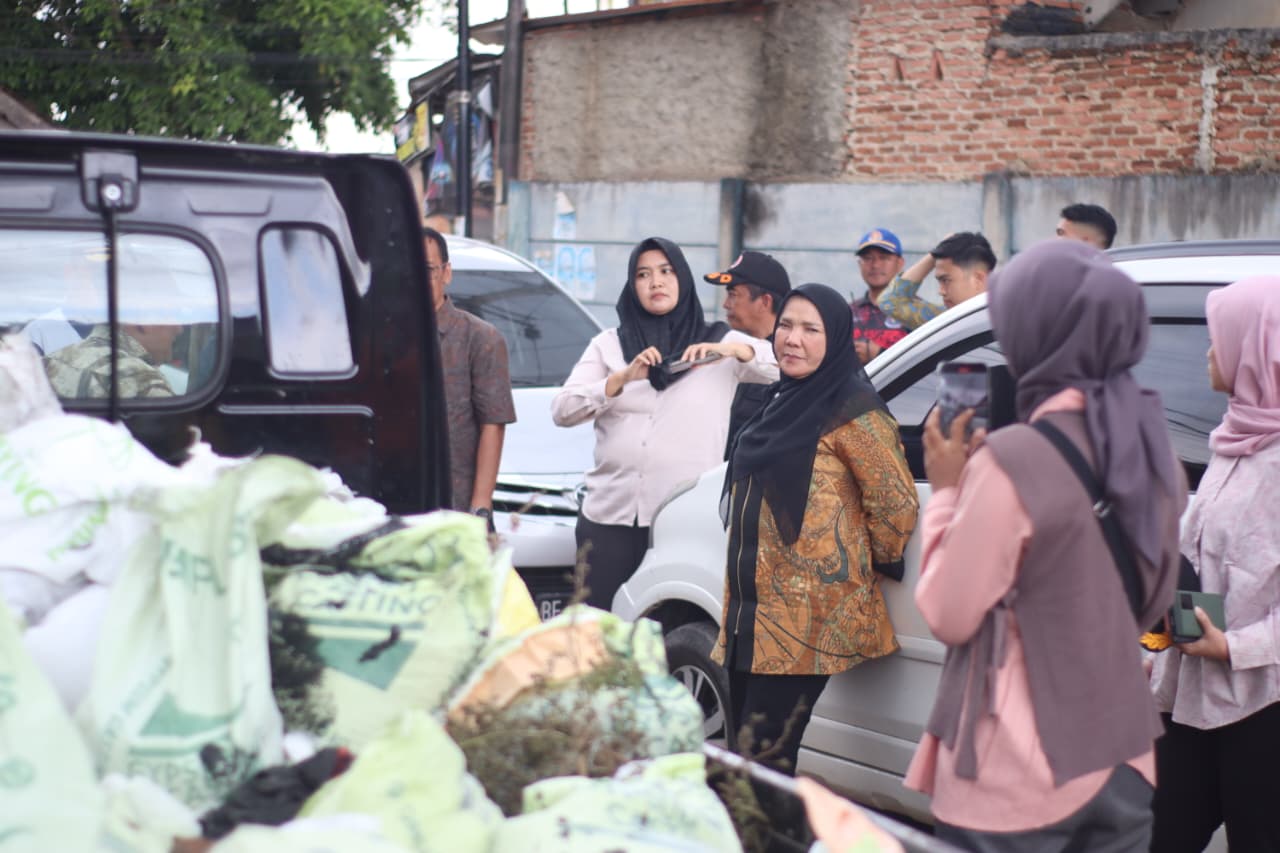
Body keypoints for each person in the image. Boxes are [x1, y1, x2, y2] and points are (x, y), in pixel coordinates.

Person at [905, 239, 1185, 851]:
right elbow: (1148, 600)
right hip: (1121, 754)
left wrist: (948, 490)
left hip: (1019, 769)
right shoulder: (1151, 446)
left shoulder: (1015, 460)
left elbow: (950, 614)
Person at [713, 283, 918, 777]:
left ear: (837, 338)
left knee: (763, 760)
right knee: (749, 756)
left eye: (811, 329)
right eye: (785, 325)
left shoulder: (854, 410)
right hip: (749, 614)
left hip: (804, 623)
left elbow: (895, 502)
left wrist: (878, 560)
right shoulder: (779, 402)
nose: (792, 339)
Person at [551, 237, 777, 610]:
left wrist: (737, 350)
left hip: (684, 524)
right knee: (599, 637)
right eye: (643, 275)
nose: (656, 282)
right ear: (632, 285)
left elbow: (785, 368)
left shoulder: (718, 343)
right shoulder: (609, 345)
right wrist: (621, 379)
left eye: (666, 272)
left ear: (683, 279)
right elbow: (563, 410)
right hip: (609, 520)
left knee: (672, 635)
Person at [1148, 275, 1280, 852]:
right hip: (1188, 693)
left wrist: (1233, 647)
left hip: (1264, 707)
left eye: (1219, 338)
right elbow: (1201, 560)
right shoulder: (1235, 439)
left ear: (1256, 350)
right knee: (1161, 836)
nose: (1208, 351)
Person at [424, 226, 516, 519]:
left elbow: (493, 425)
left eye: (426, 270)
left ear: (446, 273)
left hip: (457, 505)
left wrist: (480, 507)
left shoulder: (480, 338)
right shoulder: (383, 337)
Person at [703, 251, 790, 454]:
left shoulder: (792, 359)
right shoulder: (726, 349)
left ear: (764, 302)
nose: (725, 304)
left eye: (733, 295)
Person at [880, 232, 997, 331]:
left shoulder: (1009, 319)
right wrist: (935, 254)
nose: (940, 291)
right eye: (939, 282)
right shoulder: (946, 319)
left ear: (978, 279)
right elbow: (891, 302)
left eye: (946, 280)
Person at [43, 322, 178, 399]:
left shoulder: (49, 362)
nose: (179, 329)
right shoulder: (143, 380)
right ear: (145, 323)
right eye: (173, 316)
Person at [850, 228, 910, 364]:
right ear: (859, 264)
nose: (875, 265)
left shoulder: (916, 312)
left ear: (900, 263)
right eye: (868, 258)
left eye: (884, 258)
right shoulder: (847, 312)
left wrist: (879, 353)